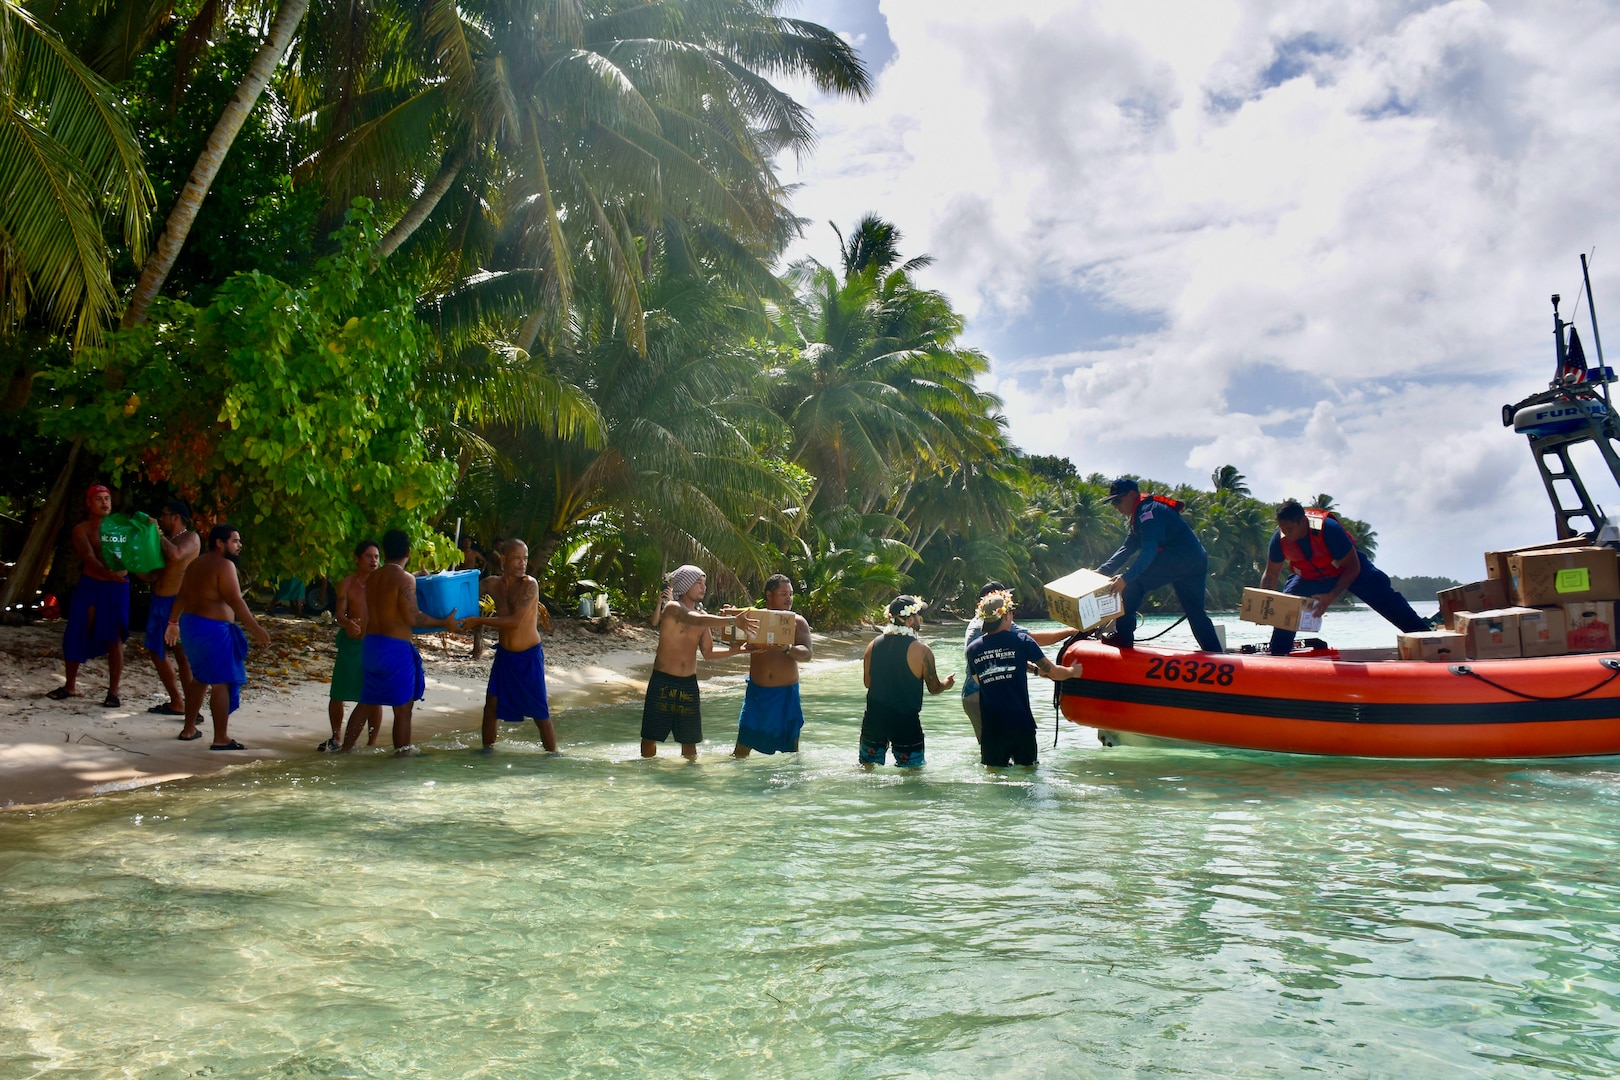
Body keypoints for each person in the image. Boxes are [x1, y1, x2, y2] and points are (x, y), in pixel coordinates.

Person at [342, 529, 458, 755]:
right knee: (403, 709)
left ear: (384, 552)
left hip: (371, 645)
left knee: (366, 701)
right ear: (408, 551)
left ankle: (346, 750)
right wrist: (444, 622)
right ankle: (402, 757)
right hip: (394, 648)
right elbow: (412, 616)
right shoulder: (405, 579)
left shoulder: (373, 578)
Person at [1260, 499, 1429, 655]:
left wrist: (1331, 596)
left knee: (1386, 599)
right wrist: (1264, 605)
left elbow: (1353, 567)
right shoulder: (1279, 539)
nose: (1286, 533)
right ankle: (1278, 654)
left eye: (1290, 529)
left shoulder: (1330, 529)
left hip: (1348, 569)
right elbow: (1271, 574)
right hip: (1310, 576)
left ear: (1303, 522)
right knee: (1287, 607)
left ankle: (1428, 639)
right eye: (1283, 529)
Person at [165, 524, 270, 748]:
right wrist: (255, 629)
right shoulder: (224, 565)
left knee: (201, 679)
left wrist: (173, 622)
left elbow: (182, 595)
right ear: (220, 543)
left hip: (192, 627)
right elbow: (235, 600)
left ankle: (188, 729)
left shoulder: (196, 563)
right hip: (212, 630)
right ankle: (220, 738)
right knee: (221, 682)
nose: (239, 545)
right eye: (235, 541)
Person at [641, 564, 755, 760]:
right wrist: (732, 621)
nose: (704, 587)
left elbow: (708, 652)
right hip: (663, 682)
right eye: (698, 583)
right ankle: (646, 773)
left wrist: (737, 650)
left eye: (704, 583)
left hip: (688, 685)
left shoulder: (703, 616)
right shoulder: (673, 608)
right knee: (651, 736)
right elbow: (693, 620)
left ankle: (690, 781)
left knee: (690, 741)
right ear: (684, 585)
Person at [1098, 477, 1224, 653]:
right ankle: (1216, 654)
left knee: (1132, 585)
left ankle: (1123, 638)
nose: (1116, 506)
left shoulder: (1148, 512)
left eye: (1118, 500)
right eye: (1113, 503)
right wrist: (1100, 573)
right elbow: (1126, 549)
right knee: (1196, 613)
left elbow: (1149, 551)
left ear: (1132, 494)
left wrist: (1126, 578)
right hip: (1195, 560)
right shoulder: (1139, 516)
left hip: (1180, 559)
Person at [965, 589, 1081, 767]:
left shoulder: (972, 649)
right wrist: (1073, 671)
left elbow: (979, 680)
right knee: (1028, 774)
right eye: (1011, 612)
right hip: (1021, 724)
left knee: (994, 777)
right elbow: (1054, 672)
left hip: (992, 729)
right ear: (1006, 616)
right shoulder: (1022, 641)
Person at [463, 539, 556, 751]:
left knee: (540, 714)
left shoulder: (530, 585)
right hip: (505, 656)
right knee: (490, 707)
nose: (522, 563)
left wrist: (478, 621)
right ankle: (487, 753)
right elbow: (463, 597)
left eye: (525, 558)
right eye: (516, 558)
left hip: (528, 657)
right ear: (503, 559)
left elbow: (515, 621)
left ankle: (553, 756)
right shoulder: (491, 584)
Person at [48, 484, 130, 706]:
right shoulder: (81, 529)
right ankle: (70, 685)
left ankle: (113, 692)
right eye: (99, 499)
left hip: (117, 587)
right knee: (75, 630)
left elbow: (135, 556)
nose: (105, 502)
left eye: (107, 498)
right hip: (91, 584)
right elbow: (89, 558)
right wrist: (108, 573)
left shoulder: (122, 528)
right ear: (89, 503)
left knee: (115, 638)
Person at [859, 595, 955, 768]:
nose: (920, 619)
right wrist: (947, 684)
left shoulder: (872, 645)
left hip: (874, 719)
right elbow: (934, 688)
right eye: (918, 615)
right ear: (910, 620)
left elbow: (868, 683)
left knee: (867, 770)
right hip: (905, 722)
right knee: (912, 775)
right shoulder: (922, 651)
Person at [732, 574, 812, 758]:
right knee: (741, 750)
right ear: (769, 595)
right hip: (757, 695)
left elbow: (807, 653)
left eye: (790, 594)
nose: (789, 598)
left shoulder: (797, 622)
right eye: (783, 594)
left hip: (785, 695)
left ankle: (791, 782)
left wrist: (787, 648)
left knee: (791, 751)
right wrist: (730, 619)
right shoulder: (753, 618)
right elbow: (734, 642)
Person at [141, 501, 200, 716]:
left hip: (179, 604)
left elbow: (176, 555)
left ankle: (193, 706)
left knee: (182, 655)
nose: (162, 519)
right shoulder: (164, 540)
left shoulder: (190, 537)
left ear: (176, 517)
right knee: (155, 651)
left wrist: (156, 531)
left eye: (164, 515)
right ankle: (176, 701)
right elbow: (153, 574)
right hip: (159, 601)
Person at [320, 539, 380, 752]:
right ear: (357, 558)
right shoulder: (347, 583)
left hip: (374, 644)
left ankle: (372, 743)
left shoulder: (382, 582)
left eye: (376, 557)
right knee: (338, 693)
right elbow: (339, 613)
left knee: (373, 695)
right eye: (368, 556)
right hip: (351, 644)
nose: (373, 561)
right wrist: (347, 623)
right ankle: (336, 735)